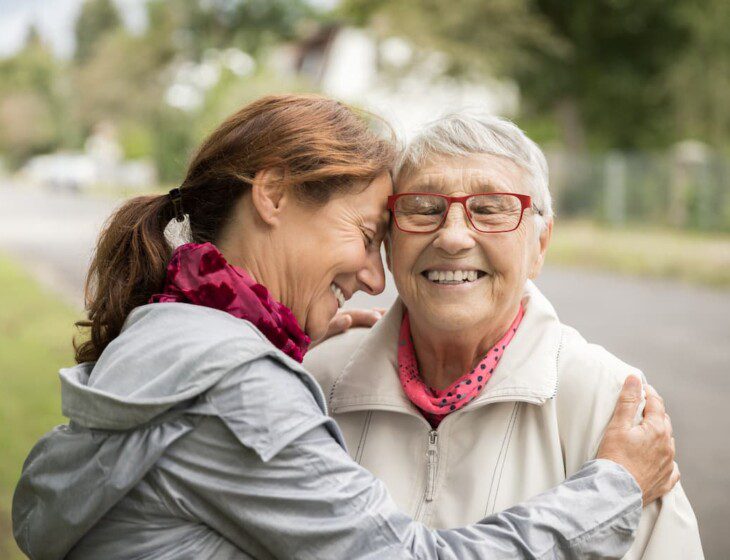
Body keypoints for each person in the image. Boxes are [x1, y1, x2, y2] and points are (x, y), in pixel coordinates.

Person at [13, 95, 677, 560]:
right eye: (370, 233)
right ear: (272, 195)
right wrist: (613, 488)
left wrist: (275, 360)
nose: (372, 275)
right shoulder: (242, 387)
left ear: (541, 240)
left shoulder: (173, 336)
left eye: (491, 211)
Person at [305, 112, 703, 559]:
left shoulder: (609, 403)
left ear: (540, 245)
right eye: (423, 208)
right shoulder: (316, 380)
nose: (453, 237)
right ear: (390, 243)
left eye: (491, 210)